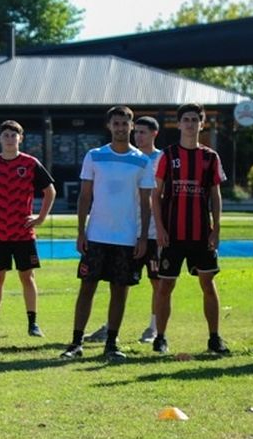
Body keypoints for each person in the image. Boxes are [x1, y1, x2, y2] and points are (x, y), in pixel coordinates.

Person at [61, 106, 153, 360]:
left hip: (126, 238)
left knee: (120, 290)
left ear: (131, 126)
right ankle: (75, 343)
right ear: (109, 126)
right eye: (116, 123)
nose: (121, 128)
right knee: (87, 288)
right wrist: (81, 232)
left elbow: (146, 203)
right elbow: (85, 196)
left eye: (125, 123)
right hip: (97, 236)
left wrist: (143, 236)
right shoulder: (94, 156)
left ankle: (111, 343)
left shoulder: (142, 161)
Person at [150, 103, 228, 356]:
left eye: (195, 119)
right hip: (172, 234)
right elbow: (156, 195)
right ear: (179, 123)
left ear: (202, 124)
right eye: (186, 119)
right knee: (164, 286)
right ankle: (160, 337)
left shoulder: (210, 157)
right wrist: (159, 227)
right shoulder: (167, 155)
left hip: (201, 234)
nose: (191, 123)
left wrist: (216, 229)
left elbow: (215, 195)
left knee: (208, 283)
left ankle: (215, 338)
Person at [0, 120, 55, 340]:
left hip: (23, 232)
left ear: (20, 139)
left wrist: (40, 217)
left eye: (13, 135)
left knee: (27, 277)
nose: (9, 139)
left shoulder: (29, 163)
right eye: (6, 135)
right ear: (0, 139)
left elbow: (50, 191)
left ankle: (33, 324)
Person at [85, 115, 162, 344]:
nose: (138, 136)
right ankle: (110, 328)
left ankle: (153, 328)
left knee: (157, 281)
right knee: (118, 281)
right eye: (136, 131)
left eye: (143, 132)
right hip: (126, 233)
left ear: (154, 134)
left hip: (151, 233)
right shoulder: (121, 158)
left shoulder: (158, 160)